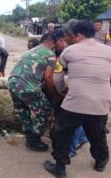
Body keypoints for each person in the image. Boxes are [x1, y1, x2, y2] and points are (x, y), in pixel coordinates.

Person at [44, 20, 111, 178]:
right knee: (98, 134)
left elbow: (57, 78)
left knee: (60, 132)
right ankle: (101, 161)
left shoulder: (68, 52)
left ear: (78, 35)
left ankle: (60, 168)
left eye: (68, 35)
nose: (66, 38)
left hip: (74, 104)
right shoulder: (108, 51)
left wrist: (61, 94)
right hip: (100, 105)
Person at [9, 33, 62, 152]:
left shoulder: (29, 51)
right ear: (52, 43)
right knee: (46, 111)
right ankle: (33, 140)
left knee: (23, 111)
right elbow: (48, 77)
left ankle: (29, 135)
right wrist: (55, 95)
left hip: (12, 82)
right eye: (55, 46)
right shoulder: (50, 54)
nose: (54, 48)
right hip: (28, 86)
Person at [53, 28, 88, 158]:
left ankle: (71, 149)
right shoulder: (75, 50)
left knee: (72, 120)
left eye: (56, 42)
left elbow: (58, 78)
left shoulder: (66, 53)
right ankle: (83, 138)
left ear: (61, 40)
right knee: (80, 118)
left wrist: (61, 91)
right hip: (84, 90)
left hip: (72, 91)